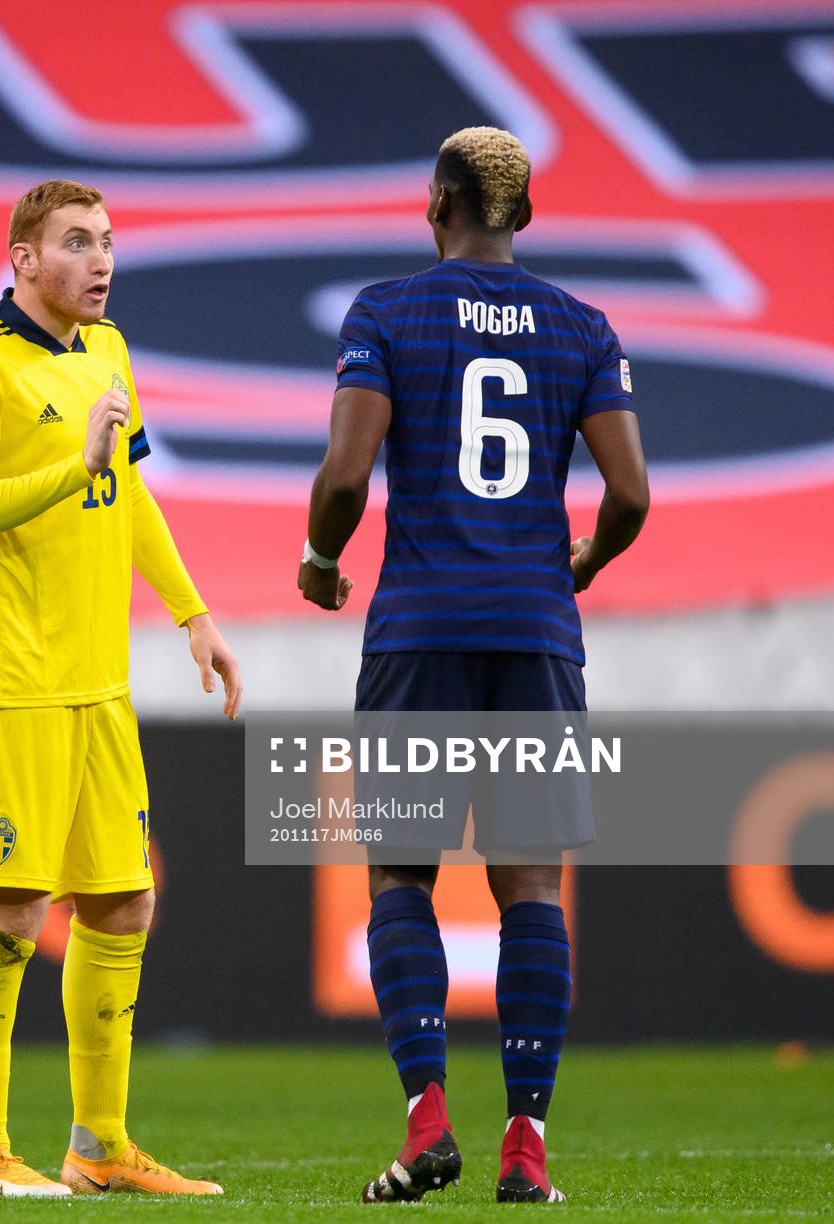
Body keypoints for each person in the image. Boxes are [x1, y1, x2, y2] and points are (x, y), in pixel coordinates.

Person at [298, 126, 649, 1205]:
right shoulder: (582, 325)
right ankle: (526, 1145)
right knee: (531, 886)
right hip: (536, 632)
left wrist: (320, 555)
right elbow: (631, 494)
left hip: (419, 632)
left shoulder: (387, 311)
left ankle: (427, 1118)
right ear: (525, 215)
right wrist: (582, 555)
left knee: (402, 872)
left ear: (434, 205)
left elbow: (349, 473)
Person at [0, 179, 242, 1198]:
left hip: (99, 683)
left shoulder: (108, 352)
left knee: (121, 903)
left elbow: (131, 489)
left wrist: (194, 611)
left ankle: (98, 1144)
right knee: (14, 908)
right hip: (13, 682)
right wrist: (76, 461)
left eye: (106, 240)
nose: (101, 259)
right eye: (76, 242)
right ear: (24, 257)